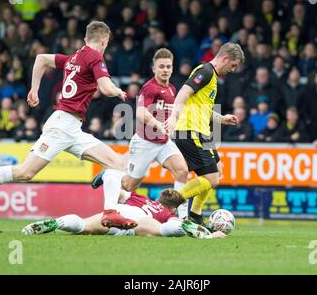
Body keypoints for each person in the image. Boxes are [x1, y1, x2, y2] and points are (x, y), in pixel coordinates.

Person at [0, 21, 137, 230]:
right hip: (62, 125)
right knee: (25, 173)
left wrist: (34, 89)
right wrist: (118, 91)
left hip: (72, 127)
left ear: (85, 39)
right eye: (106, 43)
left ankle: (110, 212)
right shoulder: (95, 56)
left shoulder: (75, 57)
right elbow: (106, 88)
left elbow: (41, 59)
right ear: (104, 40)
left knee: (116, 164)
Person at [92, 48, 190, 218]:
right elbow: (140, 112)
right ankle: (109, 175)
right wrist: (157, 124)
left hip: (163, 142)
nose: (165, 70)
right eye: (161, 67)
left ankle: (182, 217)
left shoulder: (173, 89)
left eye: (168, 66)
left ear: (172, 68)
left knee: (182, 171)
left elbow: (174, 111)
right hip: (145, 142)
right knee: (130, 185)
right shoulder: (149, 88)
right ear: (154, 69)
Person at [165, 42, 244, 226]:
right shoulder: (206, 71)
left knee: (218, 170)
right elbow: (184, 91)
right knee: (211, 178)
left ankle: (195, 214)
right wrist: (174, 116)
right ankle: (168, 203)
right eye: (233, 65)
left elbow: (203, 108)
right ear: (225, 58)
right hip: (190, 130)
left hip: (202, 132)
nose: (232, 70)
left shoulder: (213, 77)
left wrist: (221, 119)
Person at [22, 186, 225, 239]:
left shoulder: (138, 196)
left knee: (83, 226)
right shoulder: (167, 213)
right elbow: (165, 220)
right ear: (172, 207)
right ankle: (202, 234)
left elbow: (116, 191)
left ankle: (57, 223)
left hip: (119, 212)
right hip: (141, 222)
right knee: (166, 229)